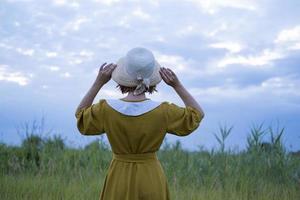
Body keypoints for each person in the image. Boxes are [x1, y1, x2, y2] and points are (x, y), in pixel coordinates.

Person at [75, 47, 205, 200]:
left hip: (119, 178)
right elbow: (197, 114)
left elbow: (81, 115)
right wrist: (177, 85)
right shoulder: (163, 111)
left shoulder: (106, 109)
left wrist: (98, 82)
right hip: (151, 178)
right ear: (152, 80)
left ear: (122, 78)